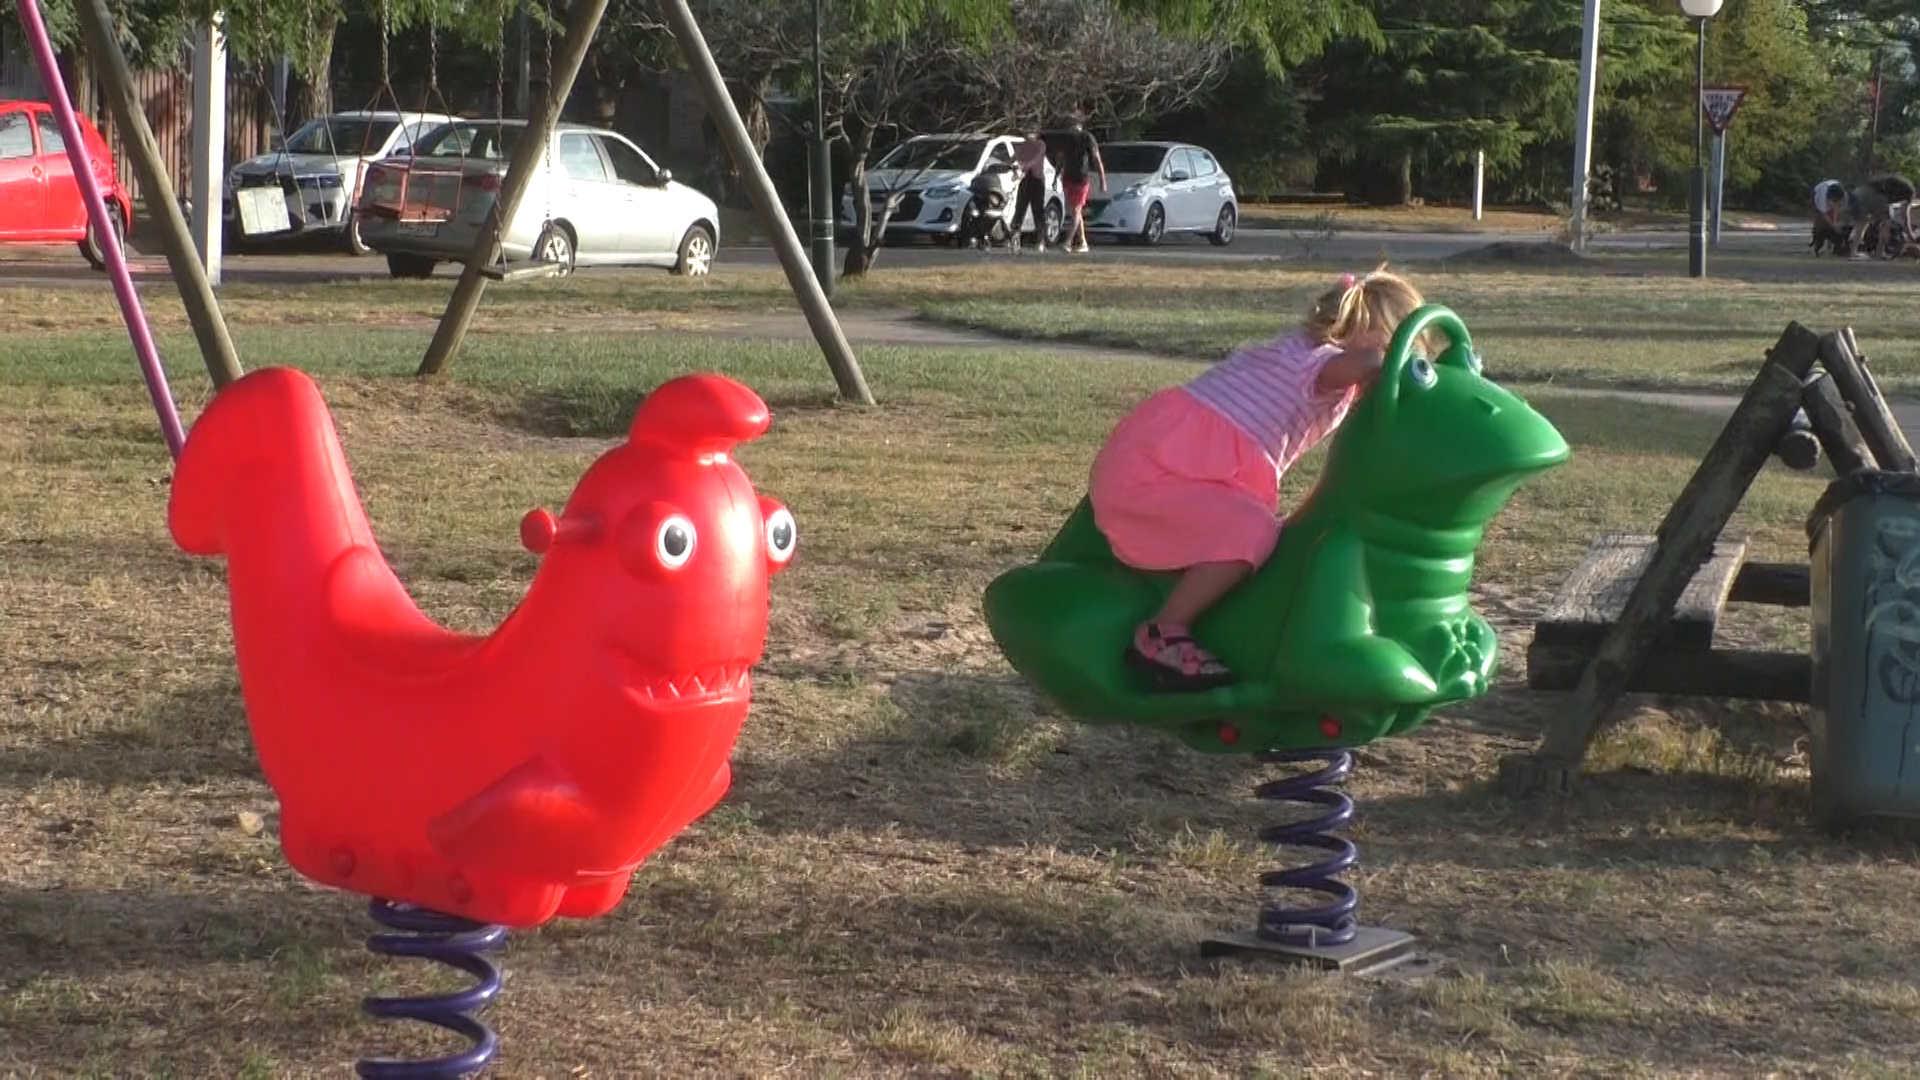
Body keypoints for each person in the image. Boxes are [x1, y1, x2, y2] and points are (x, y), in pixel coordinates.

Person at [1086, 267, 1430, 690]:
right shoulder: (1321, 365)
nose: (1402, 356)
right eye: (1401, 343)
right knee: (1252, 531)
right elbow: (1366, 364)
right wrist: (1398, 364)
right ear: (1369, 333)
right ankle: (1161, 633)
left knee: (1251, 525)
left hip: (1161, 461)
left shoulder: (1296, 349)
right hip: (1157, 478)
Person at [1054, 103, 1106, 254]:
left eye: (1072, 122)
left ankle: (1068, 242)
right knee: (1075, 210)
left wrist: (1102, 180)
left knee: (1076, 209)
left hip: (1081, 177)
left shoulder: (1087, 138)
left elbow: (1096, 159)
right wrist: (1057, 174)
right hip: (1068, 177)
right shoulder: (1065, 139)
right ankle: (1083, 242)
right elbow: (1060, 158)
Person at [1847, 174, 1917, 260]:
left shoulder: (1899, 184)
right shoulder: (1910, 192)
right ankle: (1880, 252)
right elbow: (1905, 215)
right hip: (1876, 195)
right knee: (1886, 223)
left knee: (1862, 222)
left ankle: (1853, 252)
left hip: (1859, 192)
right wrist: (1910, 234)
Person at [1011, 131, 1050, 253]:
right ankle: (1015, 239)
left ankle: (1040, 241)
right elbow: (1014, 157)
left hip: (1037, 179)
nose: (1028, 135)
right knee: (1020, 209)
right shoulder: (1022, 145)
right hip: (1025, 179)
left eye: (1031, 132)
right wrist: (1011, 164)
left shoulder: (1040, 144)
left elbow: (1036, 159)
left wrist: (1023, 165)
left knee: (1038, 210)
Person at [1811, 179, 1851, 256]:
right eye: (1833, 201)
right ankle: (1816, 242)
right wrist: (1834, 226)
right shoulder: (1822, 197)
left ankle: (1831, 246)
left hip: (1833, 188)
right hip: (1817, 191)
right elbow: (1824, 214)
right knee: (1821, 221)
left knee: (1833, 222)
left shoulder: (1842, 193)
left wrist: (1835, 223)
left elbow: (1836, 208)